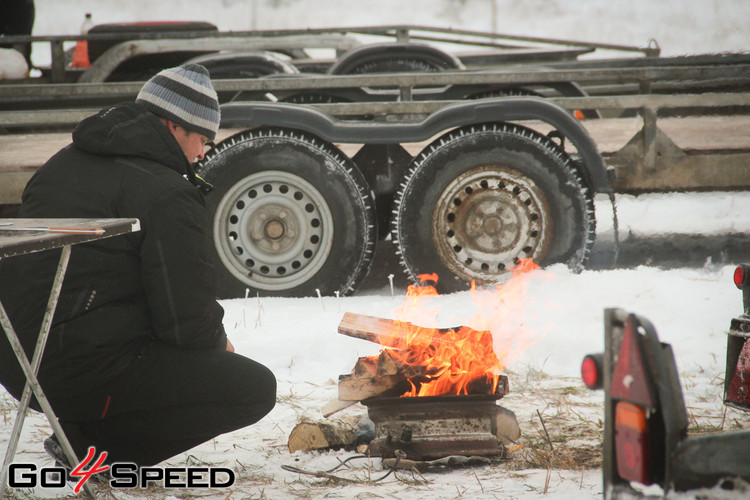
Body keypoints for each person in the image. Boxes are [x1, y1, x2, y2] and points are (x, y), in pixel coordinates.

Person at [0, 64, 276, 469]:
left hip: (17, 361)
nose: (203, 153)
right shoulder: (167, 193)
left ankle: (86, 424)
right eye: (202, 139)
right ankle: (93, 447)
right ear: (172, 125)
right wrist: (218, 347)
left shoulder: (63, 162)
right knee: (252, 388)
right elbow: (186, 323)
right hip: (78, 370)